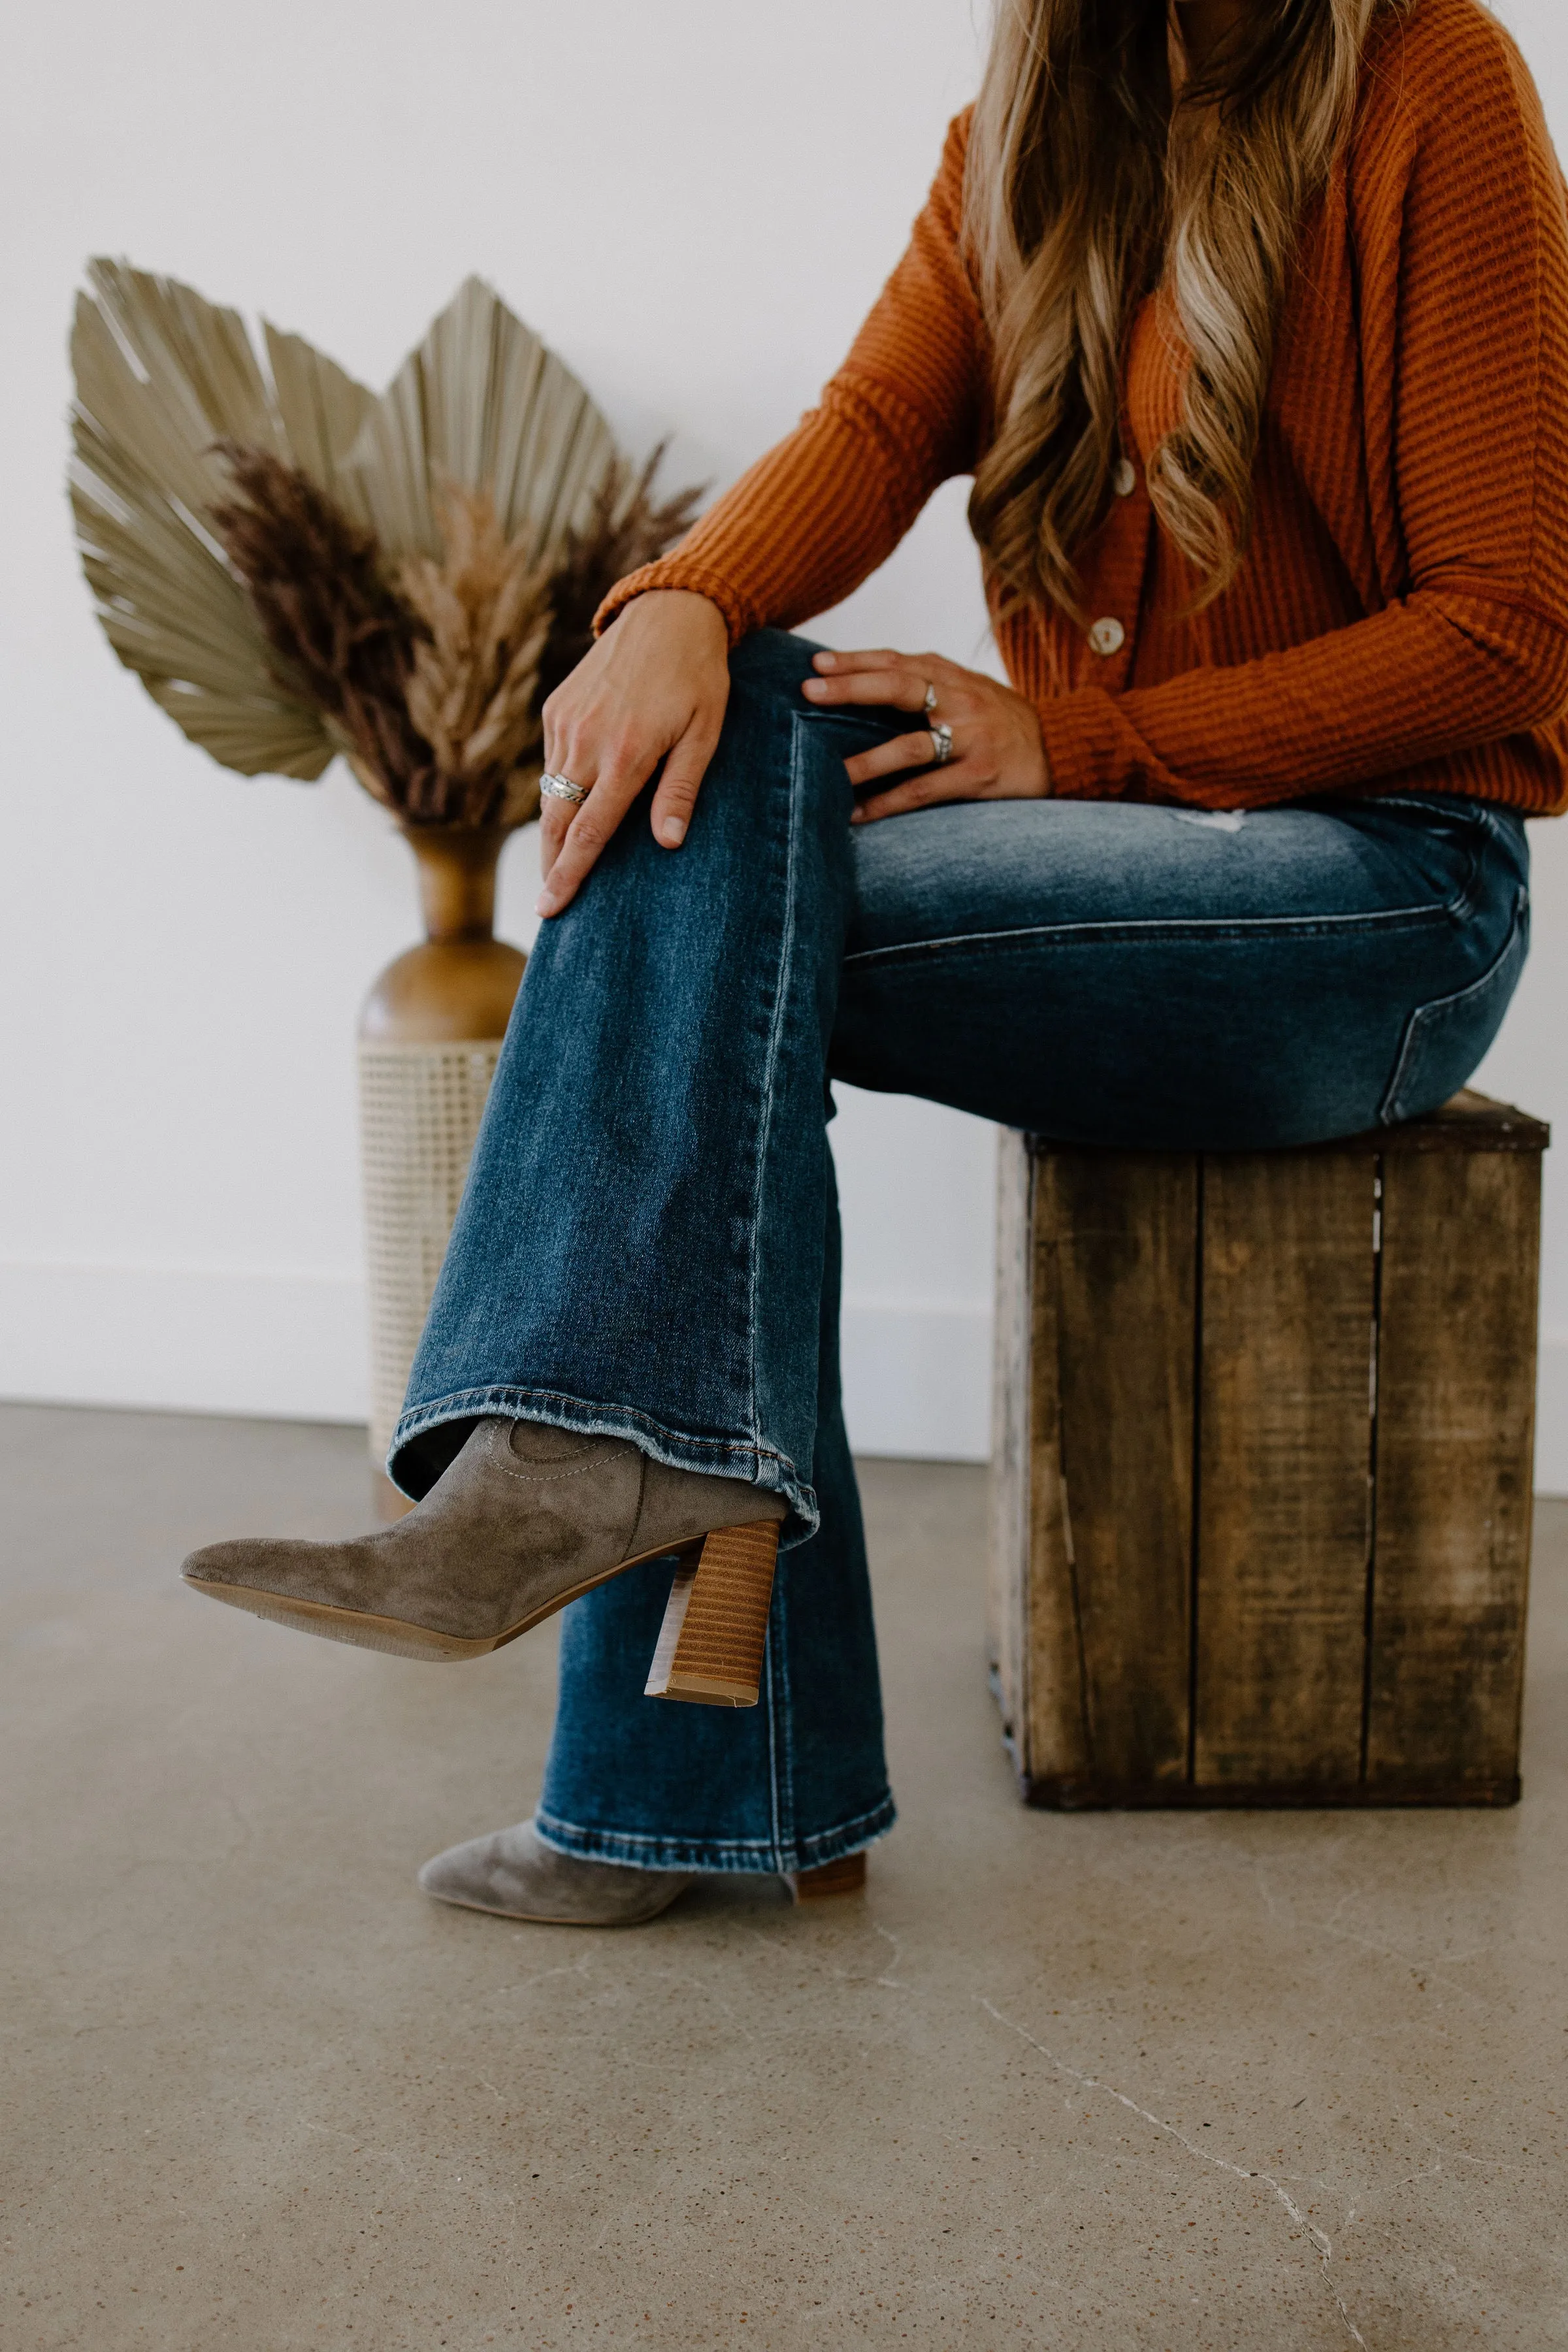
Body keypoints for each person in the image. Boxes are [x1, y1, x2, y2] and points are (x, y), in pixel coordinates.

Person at [182, 0, 1565, 1926]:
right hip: (1125, 854)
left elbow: (1508, 642)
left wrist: (1084, 743)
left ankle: (627, 1625)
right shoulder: (1019, 129)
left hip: (1381, 901)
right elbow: (865, 433)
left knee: (708, 891)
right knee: (718, 733)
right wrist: (678, 604)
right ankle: (637, 1535)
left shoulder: (1435, 81)